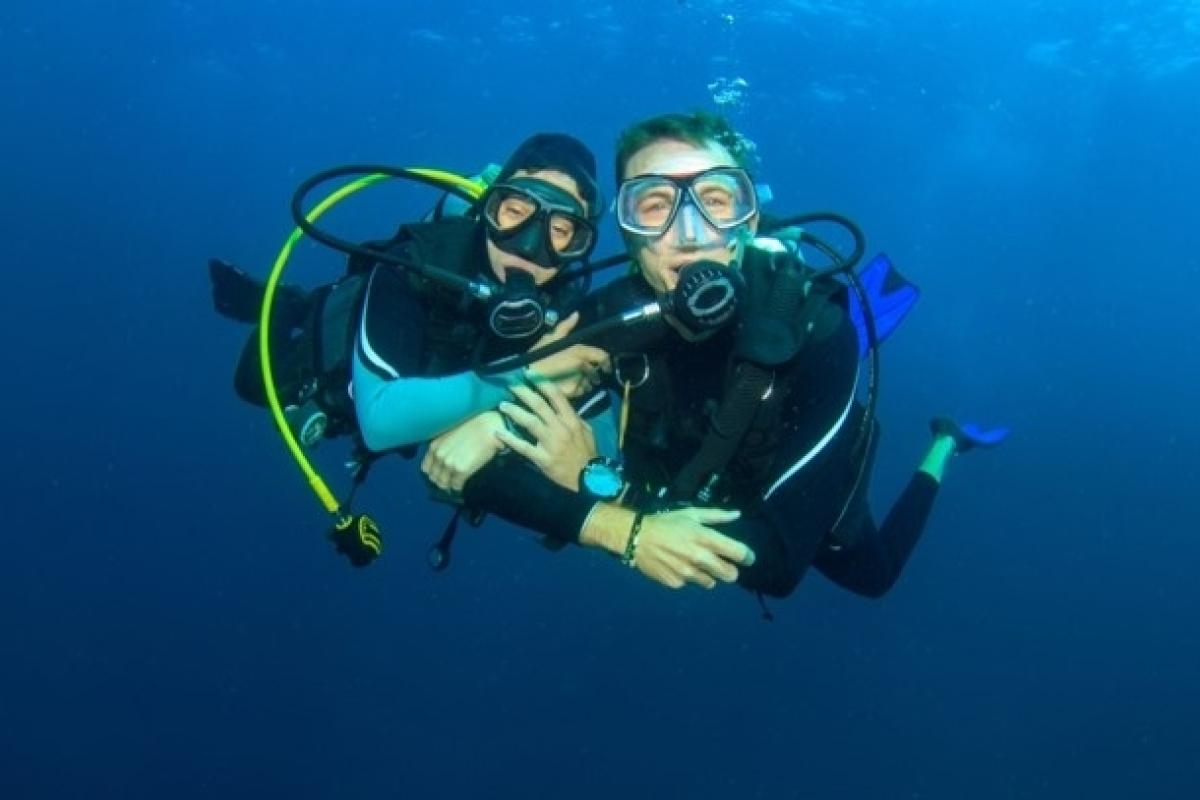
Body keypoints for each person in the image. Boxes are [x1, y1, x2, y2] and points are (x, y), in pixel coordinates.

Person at [457, 111, 1006, 601]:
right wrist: (483, 422)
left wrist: (611, 506)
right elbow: (466, 468)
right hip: (678, 489)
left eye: (716, 201)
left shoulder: (818, 333)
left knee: (874, 579)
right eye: (654, 205)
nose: (690, 234)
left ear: (747, 221)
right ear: (628, 235)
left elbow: (781, 561)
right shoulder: (608, 320)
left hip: (795, 496)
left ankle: (944, 442)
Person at [211, 133, 618, 564]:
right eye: (514, 212)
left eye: (560, 231)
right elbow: (382, 422)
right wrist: (530, 373)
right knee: (253, 386)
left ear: (579, 245)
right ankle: (285, 306)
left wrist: (499, 430)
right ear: (487, 209)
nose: (530, 247)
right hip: (370, 359)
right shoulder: (416, 264)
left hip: (444, 381)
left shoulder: (564, 311)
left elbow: (602, 445)